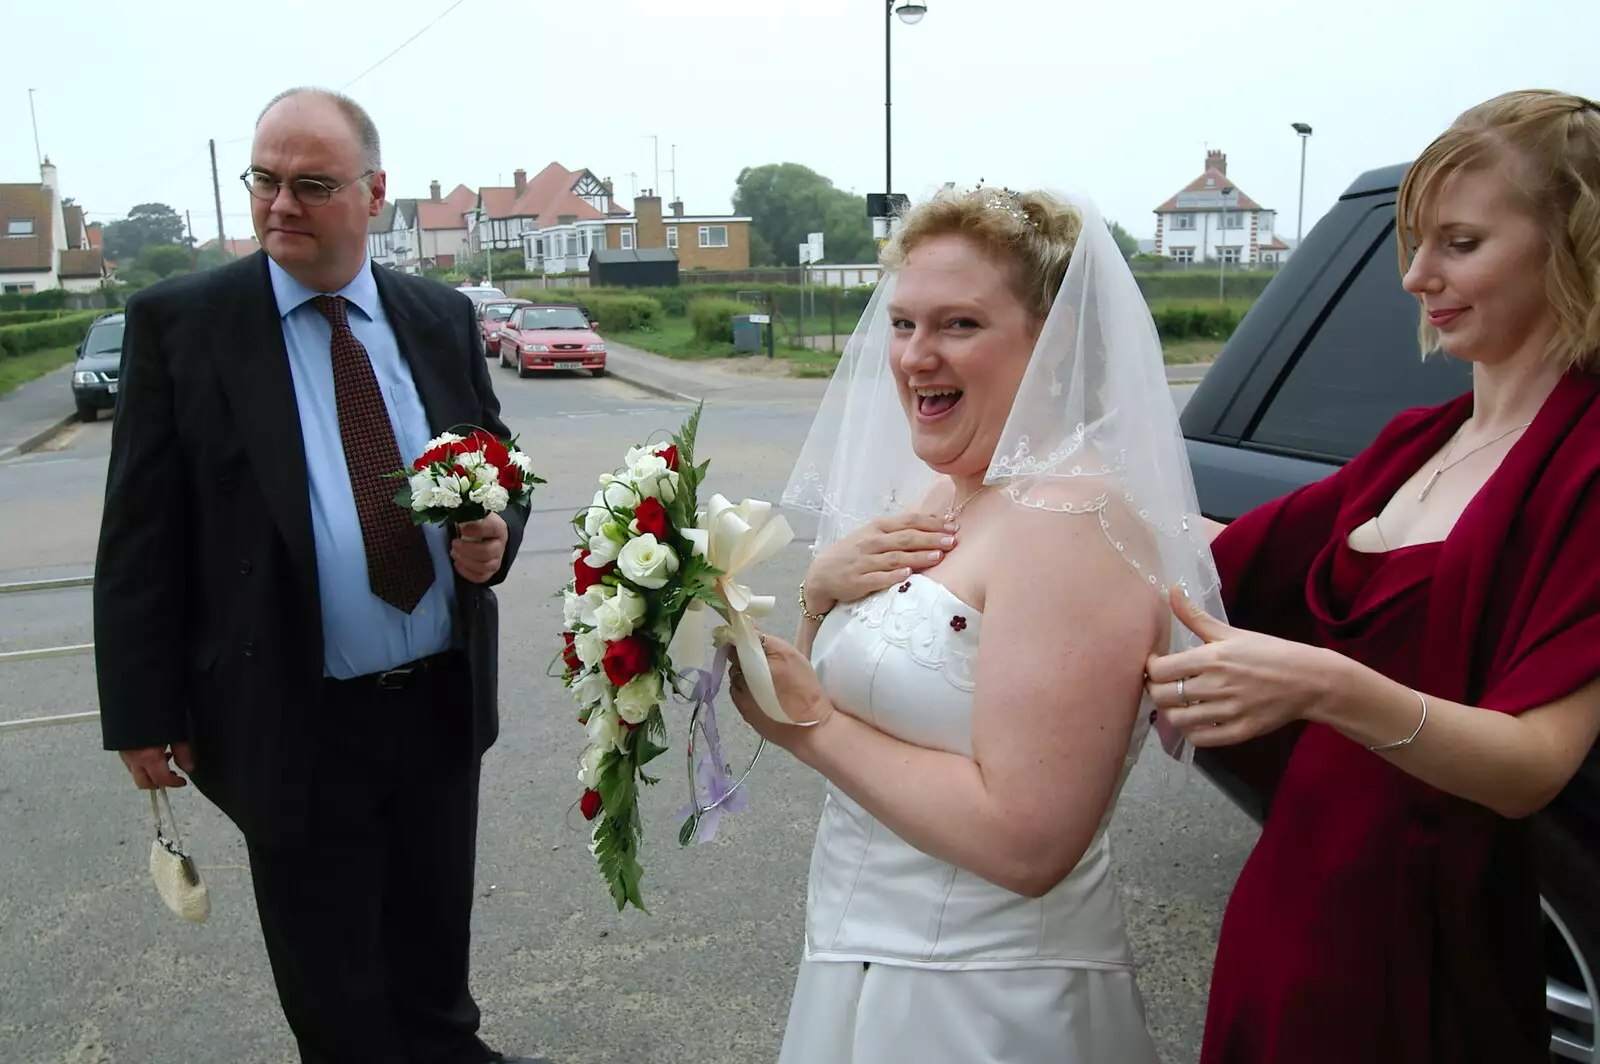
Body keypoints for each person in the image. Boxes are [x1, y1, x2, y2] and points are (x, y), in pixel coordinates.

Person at [1144, 89, 1600, 1063]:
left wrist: (1323, 682)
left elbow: (1533, 763)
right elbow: (1209, 555)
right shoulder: (1413, 442)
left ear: (1576, 245)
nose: (1415, 276)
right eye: (1414, 241)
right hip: (1291, 899)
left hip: (1428, 938)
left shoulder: (1586, 467)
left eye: (1460, 243)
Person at [94, 88, 545, 1064]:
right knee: (336, 995)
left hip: (436, 703)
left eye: (310, 185)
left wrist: (497, 529)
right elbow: (139, 533)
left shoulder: (437, 316)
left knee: (433, 960)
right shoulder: (185, 324)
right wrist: (139, 707)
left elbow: (498, 457)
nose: (278, 205)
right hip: (288, 711)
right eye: (264, 180)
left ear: (374, 193)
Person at [729, 185, 1222, 1063]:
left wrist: (807, 725)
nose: (916, 357)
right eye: (903, 322)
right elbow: (877, 697)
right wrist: (816, 599)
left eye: (959, 325)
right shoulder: (943, 495)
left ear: (1054, 343)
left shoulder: (1073, 526)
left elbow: (1028, 841)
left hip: (985, 1000)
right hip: (856, 960)